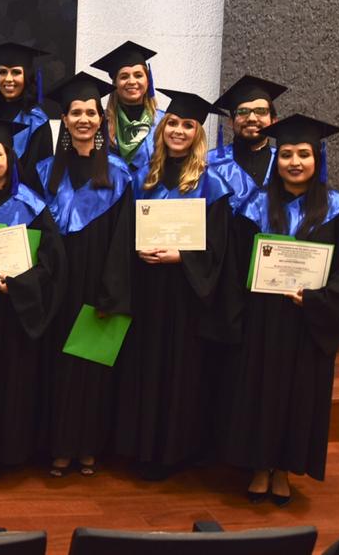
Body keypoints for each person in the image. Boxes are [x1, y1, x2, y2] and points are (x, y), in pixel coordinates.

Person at [220, 115, 339, 506]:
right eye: (286, 154)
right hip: (261, 320)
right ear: (276, 160)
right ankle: (258, 465)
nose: (295, 162)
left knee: (297, 395)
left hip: (306, 322)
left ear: (318, 159)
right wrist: (240, 309)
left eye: (304, 154)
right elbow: (233, 265)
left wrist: (319, 299)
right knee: (258, 390)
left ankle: (283, 468)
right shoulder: (253, 207)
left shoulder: (338, 211)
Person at [112, 89, 234, 481]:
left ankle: (171, 453)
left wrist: (181, 257)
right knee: (142, 367)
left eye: (188, 125)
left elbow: (219, 249)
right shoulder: (143, 178)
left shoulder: (209, 184)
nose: (178, 131)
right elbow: (124, 234)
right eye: (173, 124)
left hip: (184, 296)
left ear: (198, 133)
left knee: (178, 370)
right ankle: (139, 448)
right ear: (162, 128)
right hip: (147, 290)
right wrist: (138, 253)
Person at [0, 117, 66, 479]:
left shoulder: (30, 204)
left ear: (10, 157)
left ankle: (5, 452)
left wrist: (19, 285)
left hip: (10, 310)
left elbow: (51, 260)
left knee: (6, 380)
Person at [35, 72, 133, 478]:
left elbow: (123, 238)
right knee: (57, 365)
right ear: (65, 119)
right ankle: (59, 447)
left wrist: (112, 289)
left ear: (101, 120)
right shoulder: (43, 172)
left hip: (96, 282)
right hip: (55, 285)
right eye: (75, 112)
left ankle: (88, 448)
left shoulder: (117, 173)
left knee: (91, 367)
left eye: (90, 113)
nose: (83, 119)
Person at [0, 42, 55, 191]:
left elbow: (41, 175)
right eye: (3, 72)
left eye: (16, 72)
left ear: (27, 77)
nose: (8, 79)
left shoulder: (38, 122)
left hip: (23, 205)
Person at [210, 74, 288, 208]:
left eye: (261, 111)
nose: (252, 118)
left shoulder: (287, 164)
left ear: (274, 121)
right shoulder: (210, 163)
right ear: (231, 122)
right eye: (242, 111)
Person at [91, 41, 163, 175]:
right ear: (115, 83)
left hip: (152, 193)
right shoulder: (101, 123)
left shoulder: (163, 122)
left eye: (138, 75)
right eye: (124, 76)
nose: (132, 81)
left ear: (148, 81)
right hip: (115, 193)